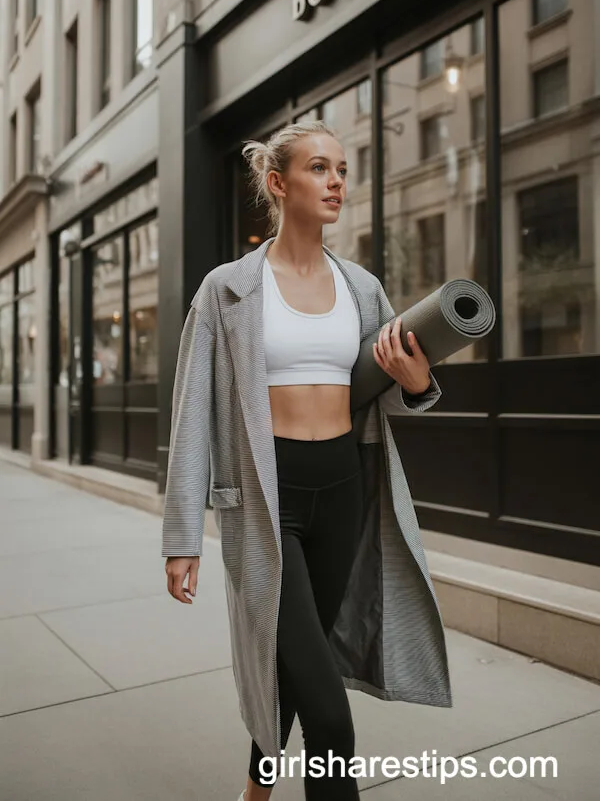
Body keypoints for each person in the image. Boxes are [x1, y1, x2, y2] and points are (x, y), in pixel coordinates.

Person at [162, 121, 452, 801]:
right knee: (330, 717)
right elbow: (191, 415)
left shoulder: (362, 289)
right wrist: (182, 538)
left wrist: (417, 384)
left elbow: (392, 394)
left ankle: (257, 786)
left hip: (344, 492)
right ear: (277, 184)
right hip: (269, 500)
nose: (336, 182)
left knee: (300, 660)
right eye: (320, 168)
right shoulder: (226, 291)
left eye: (342, 170)